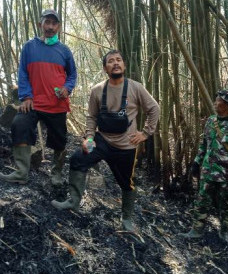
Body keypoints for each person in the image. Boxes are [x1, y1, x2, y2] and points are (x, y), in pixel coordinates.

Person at [51, 50, 160, 232]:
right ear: (105, 68)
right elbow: (92, 117)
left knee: (127, 182)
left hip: (126, 145)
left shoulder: (136, 87)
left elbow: (154, 108)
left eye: (119, 60)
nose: (115, 63)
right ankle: (73, 201)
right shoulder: (97, 90)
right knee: (78, 159)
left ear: (124, 66)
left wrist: (146, 133)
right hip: (101, 140)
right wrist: (89, 137)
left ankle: (127, 219)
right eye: (111, 61)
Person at [0, 9, 77, 186]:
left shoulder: (64, 50)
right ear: (39, 24)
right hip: (33, 102)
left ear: (58, 27)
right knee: (20, 125)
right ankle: (21, 172)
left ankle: (56, 174)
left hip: (57, 103)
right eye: (47, 22)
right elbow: (23, 73)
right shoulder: (29, 47)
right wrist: (26, 97)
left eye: (54, 23)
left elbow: (72, 75)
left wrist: (67, 88)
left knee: (60, 140)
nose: (50, 27)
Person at [181, 90, 228, 244]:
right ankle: (196, 230)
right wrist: (196, 161)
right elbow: (204, 144)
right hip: (208, 171)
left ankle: (224, 232)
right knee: (201, 200)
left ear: (227, 105)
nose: (215, 103)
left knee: (227, 205)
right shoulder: (211, 121)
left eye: (218, 100)